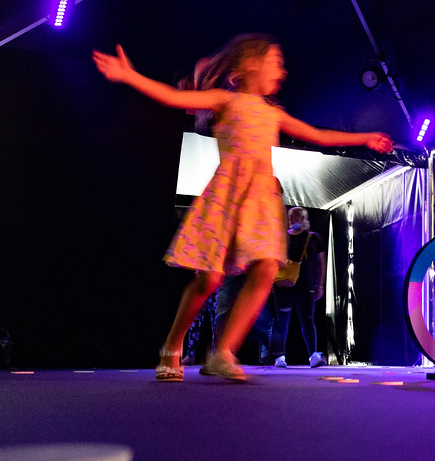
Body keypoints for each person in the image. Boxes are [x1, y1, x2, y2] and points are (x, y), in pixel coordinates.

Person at [93, 34, 394, 381]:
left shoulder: (272, 113)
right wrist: (130, 76)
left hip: (260, 199)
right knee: (208, 280)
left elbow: (318, 135)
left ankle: (222, 352)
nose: (282, 71)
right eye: (275, 62)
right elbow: (174, 97)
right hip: (227, 197)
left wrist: (365, 138)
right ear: (249, 64)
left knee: (266, 268)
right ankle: (171, 346)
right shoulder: (225, 100)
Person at [272, 207, 325, 368]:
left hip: (306, 286)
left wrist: (320, 285)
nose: (292, 220)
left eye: (296, 217)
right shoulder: (283, 238)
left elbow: (321, 262)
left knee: (307, 320)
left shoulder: (313, 238)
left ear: (303, 219)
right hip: (284, 285)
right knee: (282, 321)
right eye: (290, 217)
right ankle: (279, 356)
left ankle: (313, 355)